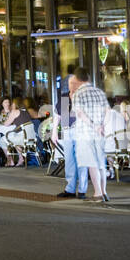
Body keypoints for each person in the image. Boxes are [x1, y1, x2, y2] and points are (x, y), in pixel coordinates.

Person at [70, 70, 110, 202]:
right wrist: (102, 126)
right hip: (100, 134)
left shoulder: (78, 94)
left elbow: (80, 114)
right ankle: (104, 192)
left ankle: (97, 194)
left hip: (86, 133)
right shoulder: (99, 92)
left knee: (92, 163)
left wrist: (94, 126)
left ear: (78, 79)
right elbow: (108, 112)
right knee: (101, 163)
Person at [55, 68, 89, 199]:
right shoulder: (64, 97)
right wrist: (54, 132)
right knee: (69, 160)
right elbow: (59, 117)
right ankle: (69, 189)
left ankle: (82, 190)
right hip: (68, 131)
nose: (73, 86)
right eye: (70, 83)